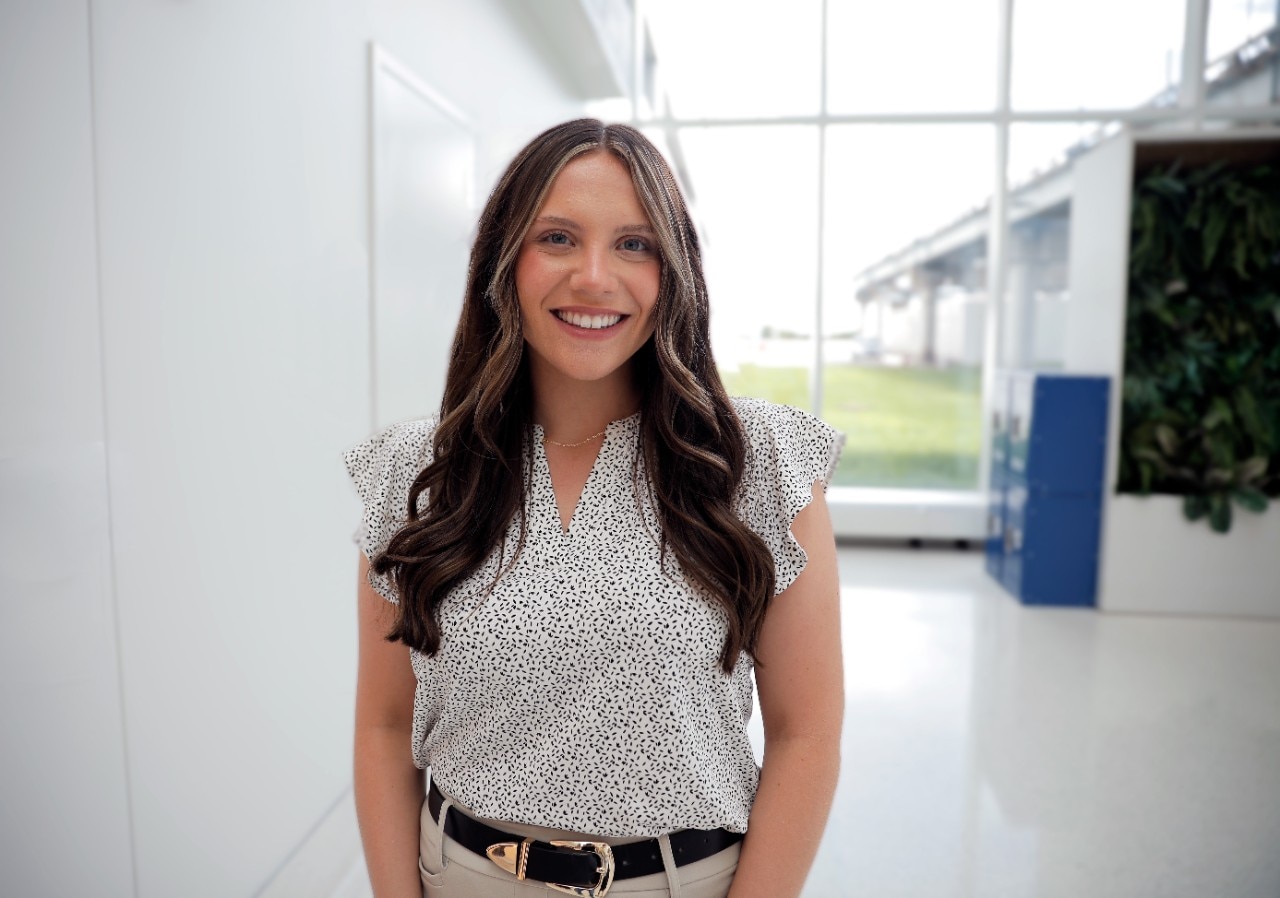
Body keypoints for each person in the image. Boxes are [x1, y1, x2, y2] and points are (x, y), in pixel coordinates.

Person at [344, 118, 845, 898]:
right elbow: (382, 726)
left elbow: (806, 734)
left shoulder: (757, 465)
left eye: (634, 244)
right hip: (463, 877)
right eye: (557, 238)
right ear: (504, 261)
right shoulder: (419, 472)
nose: (594, 277)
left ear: (674, 270)